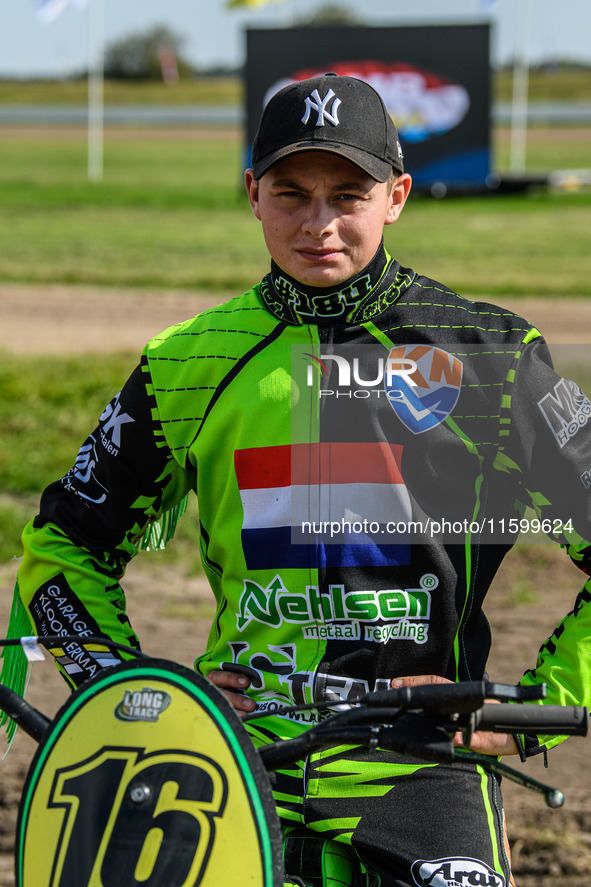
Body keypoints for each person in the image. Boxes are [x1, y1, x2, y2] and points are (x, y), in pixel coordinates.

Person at [5, 73, 591, 886]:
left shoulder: (490, 355)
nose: (319, 224)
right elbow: (63, 546)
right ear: (252, 194)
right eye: (291, 193)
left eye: (347, 195)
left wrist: (521, 716)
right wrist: (134, 696)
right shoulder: (188, 360)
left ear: (396, 196)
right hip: (231, 762)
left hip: (420, 764)